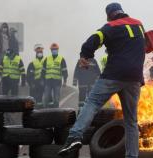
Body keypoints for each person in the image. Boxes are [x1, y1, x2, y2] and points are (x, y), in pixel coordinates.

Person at [58, 3, 145, 158]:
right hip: (134, 79)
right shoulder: (139, 25)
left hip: (113, 75)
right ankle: (132, 156)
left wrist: (85, 55)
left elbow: (92, 41)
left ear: (109, 14)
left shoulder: (110, 27)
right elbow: (146, 46)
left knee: (91, 103)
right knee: (131, 121)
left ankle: (75, 137)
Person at [42, 43, 68, 108]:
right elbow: (43, 71)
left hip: (57, 82)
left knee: (56, 98)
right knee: (46, 98)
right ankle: (46, 111)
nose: (54, 50)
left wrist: (65, 81)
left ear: (58, 50)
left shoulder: (61, 59)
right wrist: (42, 80)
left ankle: (56, 110)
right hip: (48, 82)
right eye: (53, 49)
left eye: (55, 49)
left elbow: (64, 71)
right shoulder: (47, 59)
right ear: (51, 50)